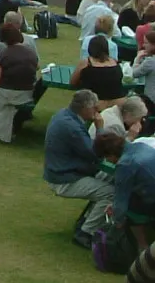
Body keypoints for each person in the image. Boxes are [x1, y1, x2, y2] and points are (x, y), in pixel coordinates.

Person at [44, 89, 113, 243]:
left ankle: (86, 220)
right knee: (110, 193)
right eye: (95, 107)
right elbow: (96, 153)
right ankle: (86, 232)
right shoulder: (73, 127)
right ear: (86, 109)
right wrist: (100, 127)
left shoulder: (64, 115)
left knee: (107, 178)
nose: (98, 110)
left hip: (61, 171)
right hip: (64, 178)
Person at [0, 22, 39, 143]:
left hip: (7, 94)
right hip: (26, 94)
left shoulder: (3, 55)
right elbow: (36, 67)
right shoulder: (31, 53)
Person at [96, 131, 155, 249]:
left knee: (129, 208)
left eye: (106, 158)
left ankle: (142, 246)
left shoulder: (125, 164)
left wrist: (117, 222)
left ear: (111, 154)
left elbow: (121, 200)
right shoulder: (141, 145)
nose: (107, 161)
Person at [71, 34, 127, 109]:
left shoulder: (86, 63)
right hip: (118, 104)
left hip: (96, 105)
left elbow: (72, 82)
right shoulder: (114, 62)